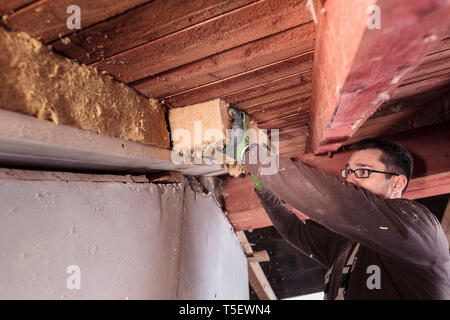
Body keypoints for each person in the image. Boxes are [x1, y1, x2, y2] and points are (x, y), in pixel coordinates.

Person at [228, 109, 450, 300]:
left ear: (397, 182)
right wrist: (264, 188)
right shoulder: (348, 246)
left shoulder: (419, 226)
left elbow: (338, 202)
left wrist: (252, 156)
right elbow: (295, 231)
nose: (350, 179)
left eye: (363, 171)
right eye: (349, 172)